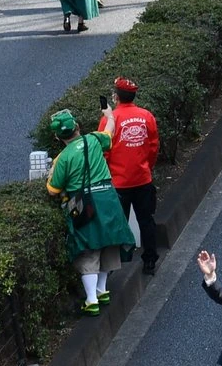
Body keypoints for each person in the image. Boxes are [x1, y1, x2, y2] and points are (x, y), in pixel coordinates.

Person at [43, 111, 136, 315]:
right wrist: (109, 115)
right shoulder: (94, 139)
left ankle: (91, 300)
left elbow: (53, 190)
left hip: (85, 204)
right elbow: (109, 133)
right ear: (77, 127)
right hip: (108, 199)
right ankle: (102, 289)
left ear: (58, 137)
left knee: (88, 248)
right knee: (108, 242)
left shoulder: (63, 158)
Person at [100, 79, 161, 275]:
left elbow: (104, 150)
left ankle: (113, 266)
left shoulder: (110, 120)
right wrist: (147, 167)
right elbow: (153, 146)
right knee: (146, 220)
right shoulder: (146, 116)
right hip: (143, 179)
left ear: (116, 97)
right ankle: (150, 260)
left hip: (118, 182)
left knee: (118, 223)